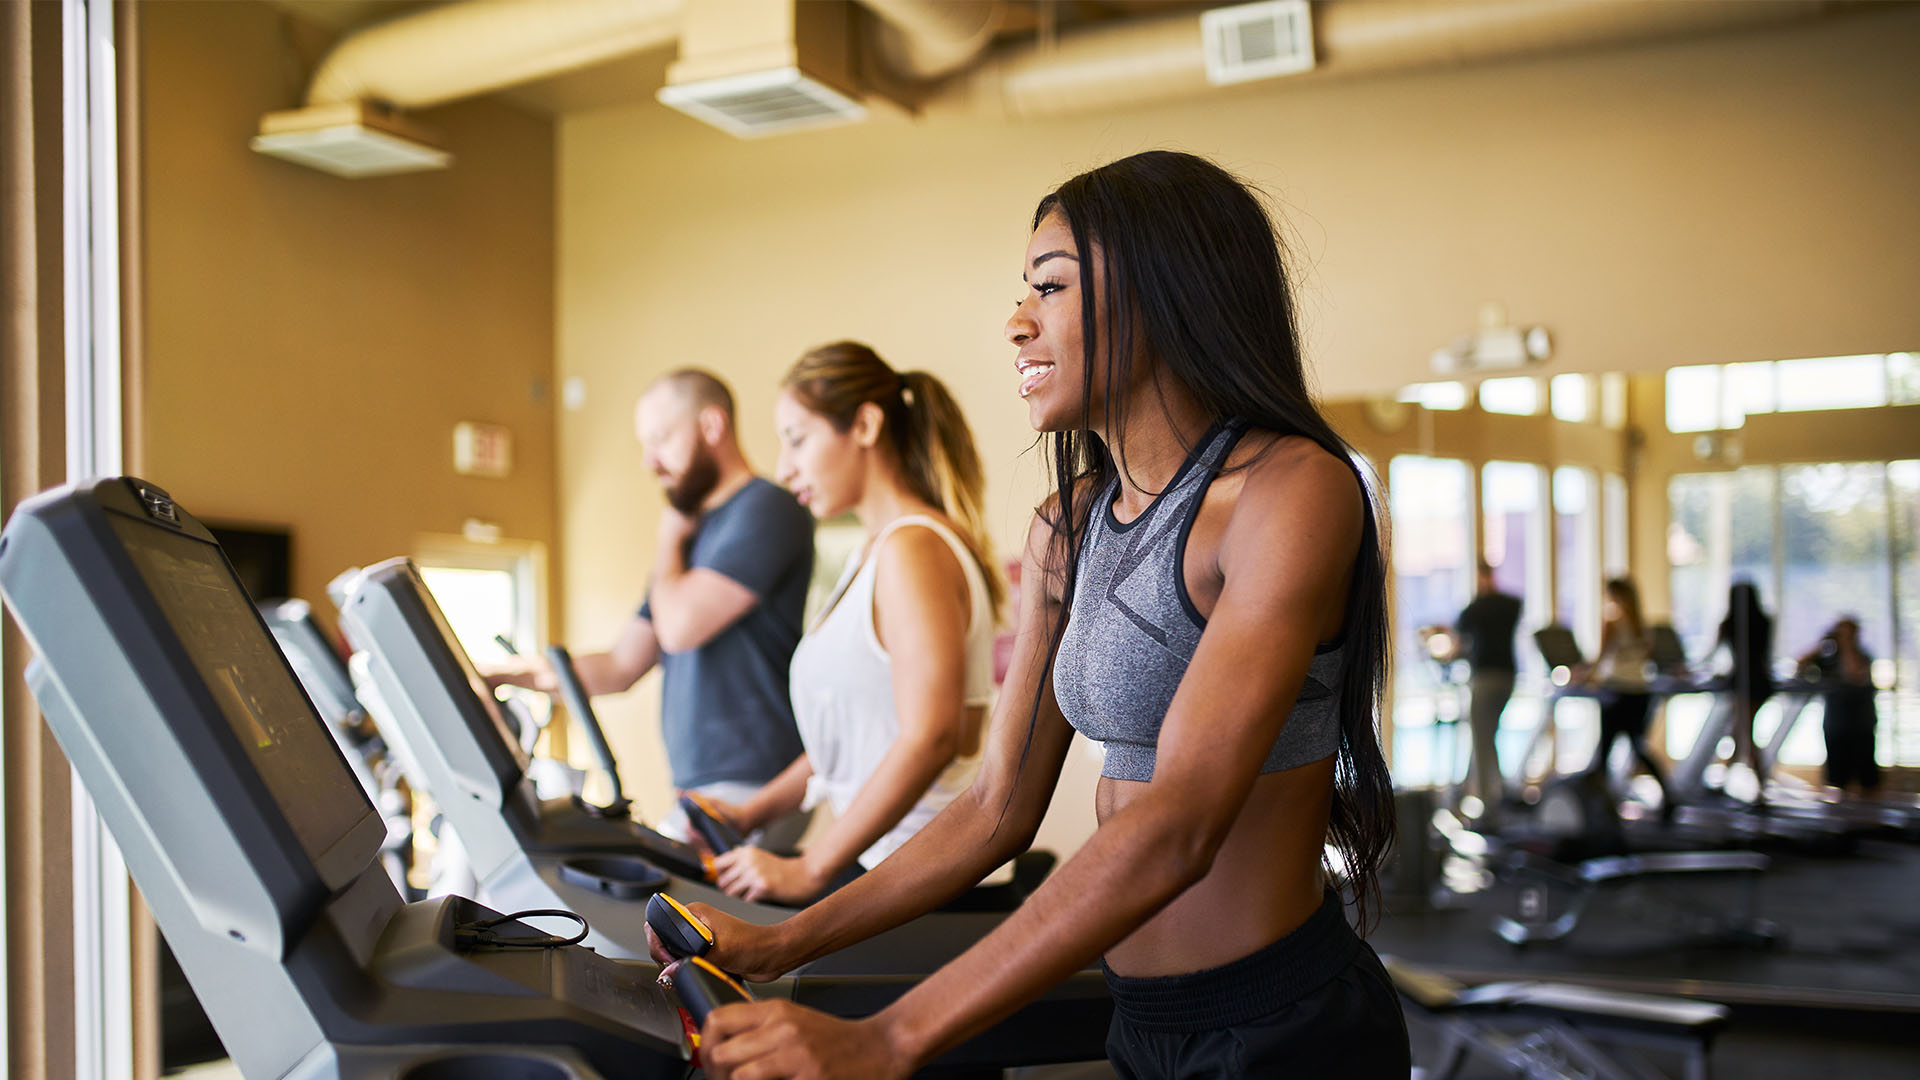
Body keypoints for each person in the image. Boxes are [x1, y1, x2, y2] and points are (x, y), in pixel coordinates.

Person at [658, 151, 1408, 1080]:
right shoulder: (1070, 523)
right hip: (1141, 1023)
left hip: (1280, 1029)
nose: (1017, 324)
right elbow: (995, 805)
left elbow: (1179, 822)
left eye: (1049, 288)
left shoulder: (1290, 492)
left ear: (1161, 295)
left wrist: (888, 1038)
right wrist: (783, 942)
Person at [697, 342, 1004, 905]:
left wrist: (813, 867)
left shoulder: (913, 548)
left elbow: (929, 734)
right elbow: (862, 727)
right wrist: (751, 812)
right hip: (887, 866)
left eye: (797, 438)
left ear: (864, 425)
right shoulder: (876, 552)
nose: (784, 468)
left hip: (921, 878)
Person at [485, 369, 814, 850]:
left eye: (660, 439)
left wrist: (668, 540)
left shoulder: (766, 508)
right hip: (701, 786)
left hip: (757, 785)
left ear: (711, 426)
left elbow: (679, 629)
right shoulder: (687, 543)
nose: (650, 461)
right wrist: (502, 675)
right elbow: (620, 666)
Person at [1583, 578, 1673, 820]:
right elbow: (1649, 659)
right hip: (1640, 692)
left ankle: (1601, 808)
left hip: (1617, 691)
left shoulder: (1612, 623)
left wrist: (1582, 676)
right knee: (1637, 745)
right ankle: (1668, 794)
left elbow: (1601, 659)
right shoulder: (1642, 626)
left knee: (1605, 751)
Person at [1455, 560, 1522, 818]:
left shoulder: (1478, 608)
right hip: (1508, 675)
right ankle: (1499, 791)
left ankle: (1486, 803)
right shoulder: (1509, 605)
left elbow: (1461, 627)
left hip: (1486, 676)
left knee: (1481, 738)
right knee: (1490, 734)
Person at [1799, 617, 1880, 796]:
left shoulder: (1862, 656)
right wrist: (1821, 645)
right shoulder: (1827, 658)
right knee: (1837, 778)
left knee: (1866, 778)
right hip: (1836, 724)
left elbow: (1854, 674)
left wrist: (1846, 646)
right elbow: (1800, 666)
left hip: (1861, 724)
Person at [1716, 580, 1774, 796]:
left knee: (1745, 733)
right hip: (1759, 679)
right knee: (1739, 731)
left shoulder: (1729, 624)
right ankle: (1725, 778)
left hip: (1745, 681)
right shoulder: (1764, 622)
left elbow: (1715, 651)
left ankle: (1760, 783)